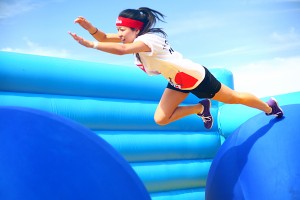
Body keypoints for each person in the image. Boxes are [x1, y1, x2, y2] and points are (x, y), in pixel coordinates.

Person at [69, 7, 283, 129]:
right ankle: (201, 108)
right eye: (118, 29)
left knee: (234, 97)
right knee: (161, 119)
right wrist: (91, 29)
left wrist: (92, 45)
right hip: (177, 80)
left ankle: (269, 107)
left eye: (122, 30)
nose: (120, 34)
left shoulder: (150, 39)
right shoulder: (134, 36)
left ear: (136, 29)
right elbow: (106, 37)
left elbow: (121, 49)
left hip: (196, 77)